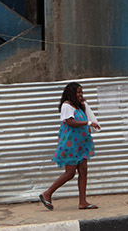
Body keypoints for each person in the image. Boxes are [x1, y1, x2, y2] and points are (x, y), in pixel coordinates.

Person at [39, 82, 101, 210]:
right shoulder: (66, 106)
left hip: (81, 144)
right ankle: (47, 193)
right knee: (70, 173)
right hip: (71, 144)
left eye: (81, 92)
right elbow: (70, 122)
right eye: (78, 92)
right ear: (71, 93)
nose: (80, 95)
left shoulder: (78, 107)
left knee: (83, 171)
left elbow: (85, 114)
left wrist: (83, 104)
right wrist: (89, 123)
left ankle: (83, 201)